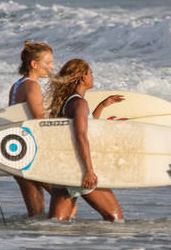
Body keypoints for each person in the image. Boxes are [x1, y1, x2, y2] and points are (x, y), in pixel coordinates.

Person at [46, 59, 125, 221]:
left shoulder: (68, 102)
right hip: (80, 169)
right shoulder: (80, 103)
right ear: (83, 77)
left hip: (65, 168)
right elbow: (81, 136)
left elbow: (85, 128)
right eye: (90, 73)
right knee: (115, 219)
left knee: (56, 224)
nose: (92, 76)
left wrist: (102, 106)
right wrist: (89, 171)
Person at [8, 41, 55, 216]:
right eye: (48, 63)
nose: (51, 67)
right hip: (31, 151)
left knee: (35, 213)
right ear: (34, 64)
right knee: (64, 196)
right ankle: (63, 239)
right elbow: (39, 120)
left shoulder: (17, 85)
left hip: (17, 151)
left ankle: (33, 239)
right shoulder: (32, 86)